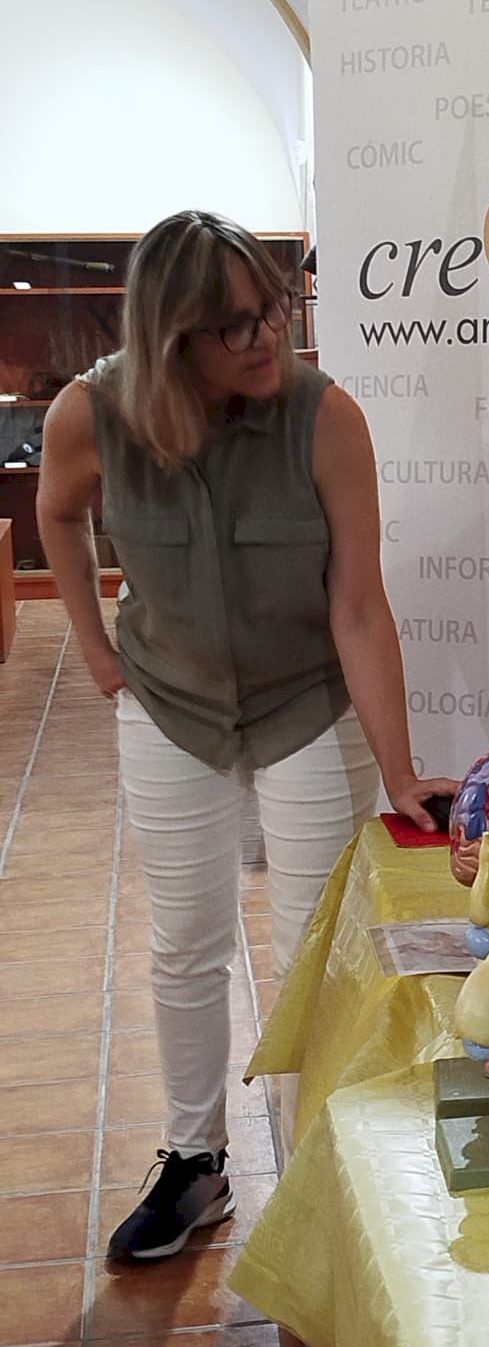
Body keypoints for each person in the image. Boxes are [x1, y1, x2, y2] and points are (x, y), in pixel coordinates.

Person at [37, 210, 456, 1260]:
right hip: (169, 703)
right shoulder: (92, 414)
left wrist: (399, 769)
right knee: (185, 941)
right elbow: (57, 514)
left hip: (306, 701)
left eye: (272, 309)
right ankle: (197, 1162)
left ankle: (317, 1174)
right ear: (170, 337)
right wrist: (95, 649)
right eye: (235, 325)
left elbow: (358, 605)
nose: (269, 336)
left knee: (314, 948)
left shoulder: (326, 417)